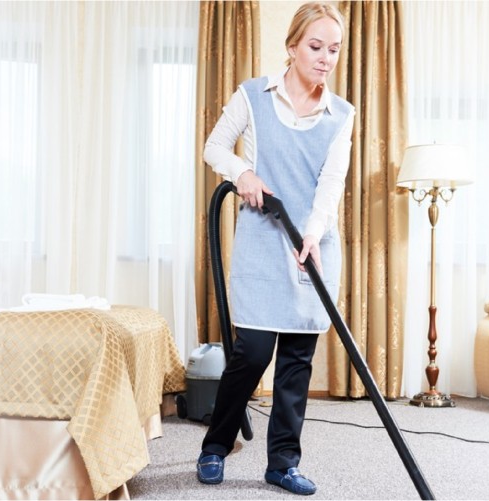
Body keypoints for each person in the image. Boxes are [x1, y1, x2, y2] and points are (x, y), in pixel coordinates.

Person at [196, 1, 352, 496]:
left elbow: (331, 183)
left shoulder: (341, 114)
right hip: (264, 242)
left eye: (334, 49)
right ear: (292, 46)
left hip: (312, 242)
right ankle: (215, 447)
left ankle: (282, 463)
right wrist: (241, 173)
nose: (326, 58)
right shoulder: (253, 96)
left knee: (296, 364)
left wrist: (313, 231)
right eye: (315, 46)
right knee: (252, 354)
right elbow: (214, 147)